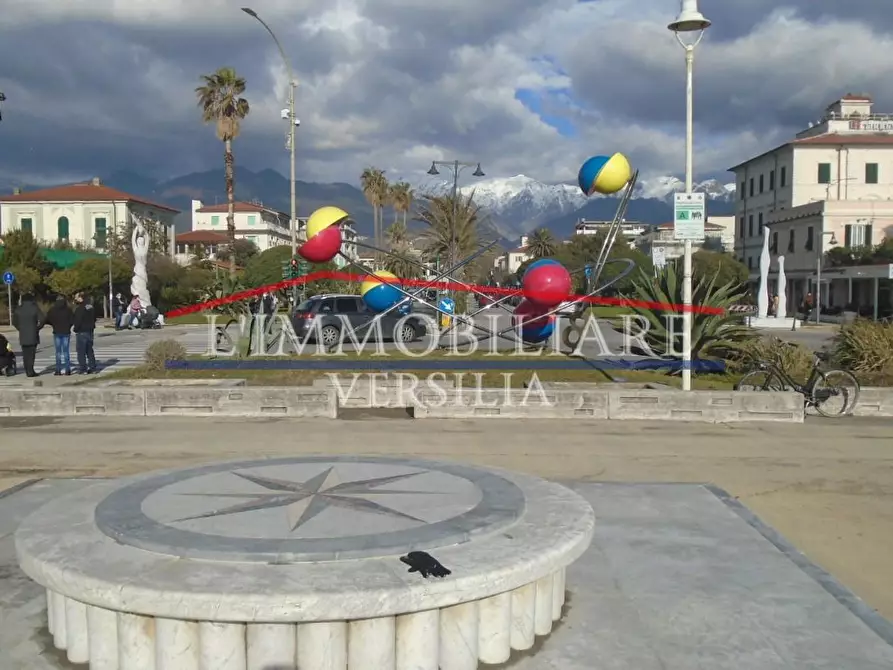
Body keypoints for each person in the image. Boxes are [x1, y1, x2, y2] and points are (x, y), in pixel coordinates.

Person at [12, 293, 44, 377]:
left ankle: (27, 370)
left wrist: (20, 328)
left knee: (25, 353)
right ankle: (30, 371)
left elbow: (14, 321)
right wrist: (37, 328)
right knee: (31, 354)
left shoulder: (19, 309)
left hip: (23, 334)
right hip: (33, 334)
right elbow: (42, 319)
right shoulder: (35, 308)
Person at [43, 295, 75, 376]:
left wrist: (54, 324)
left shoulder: (52, 310)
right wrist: (68, 326)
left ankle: (58, 370)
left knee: (58, 352)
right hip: (66, 332)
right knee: (66, 351)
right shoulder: (68, 310)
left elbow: (47, 319)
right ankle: (68, 370)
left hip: (57, 332)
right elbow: (72, 320)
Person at [73, 292, 97, 374]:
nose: (75, 299)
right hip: (90, 331)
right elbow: (94, 318)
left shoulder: (80, 308)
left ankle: (83, 369)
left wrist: (75, 329)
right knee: (89, 351)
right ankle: (93, 368)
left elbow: (77, 320)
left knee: (81, 352)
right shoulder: (91, 307)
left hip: (82, 331)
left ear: (80, 298)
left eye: (76, 297)